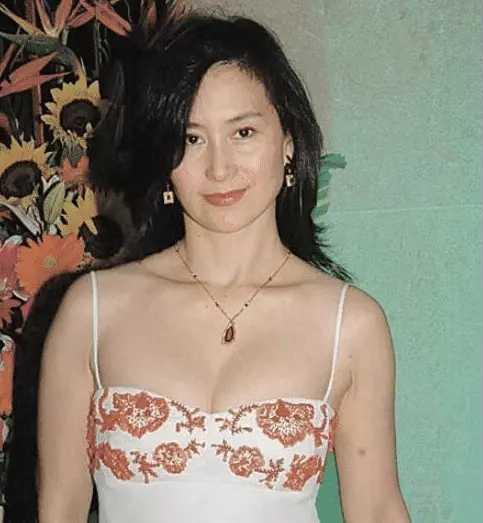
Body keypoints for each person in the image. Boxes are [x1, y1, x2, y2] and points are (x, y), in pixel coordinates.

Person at [29, 6, 411, 523]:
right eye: (191, 139)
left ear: (289, 142)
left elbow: (378, 509)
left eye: (243, 132)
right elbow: (57, 510)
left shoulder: (351, 323)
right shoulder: (93, 311)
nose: (219, 167)